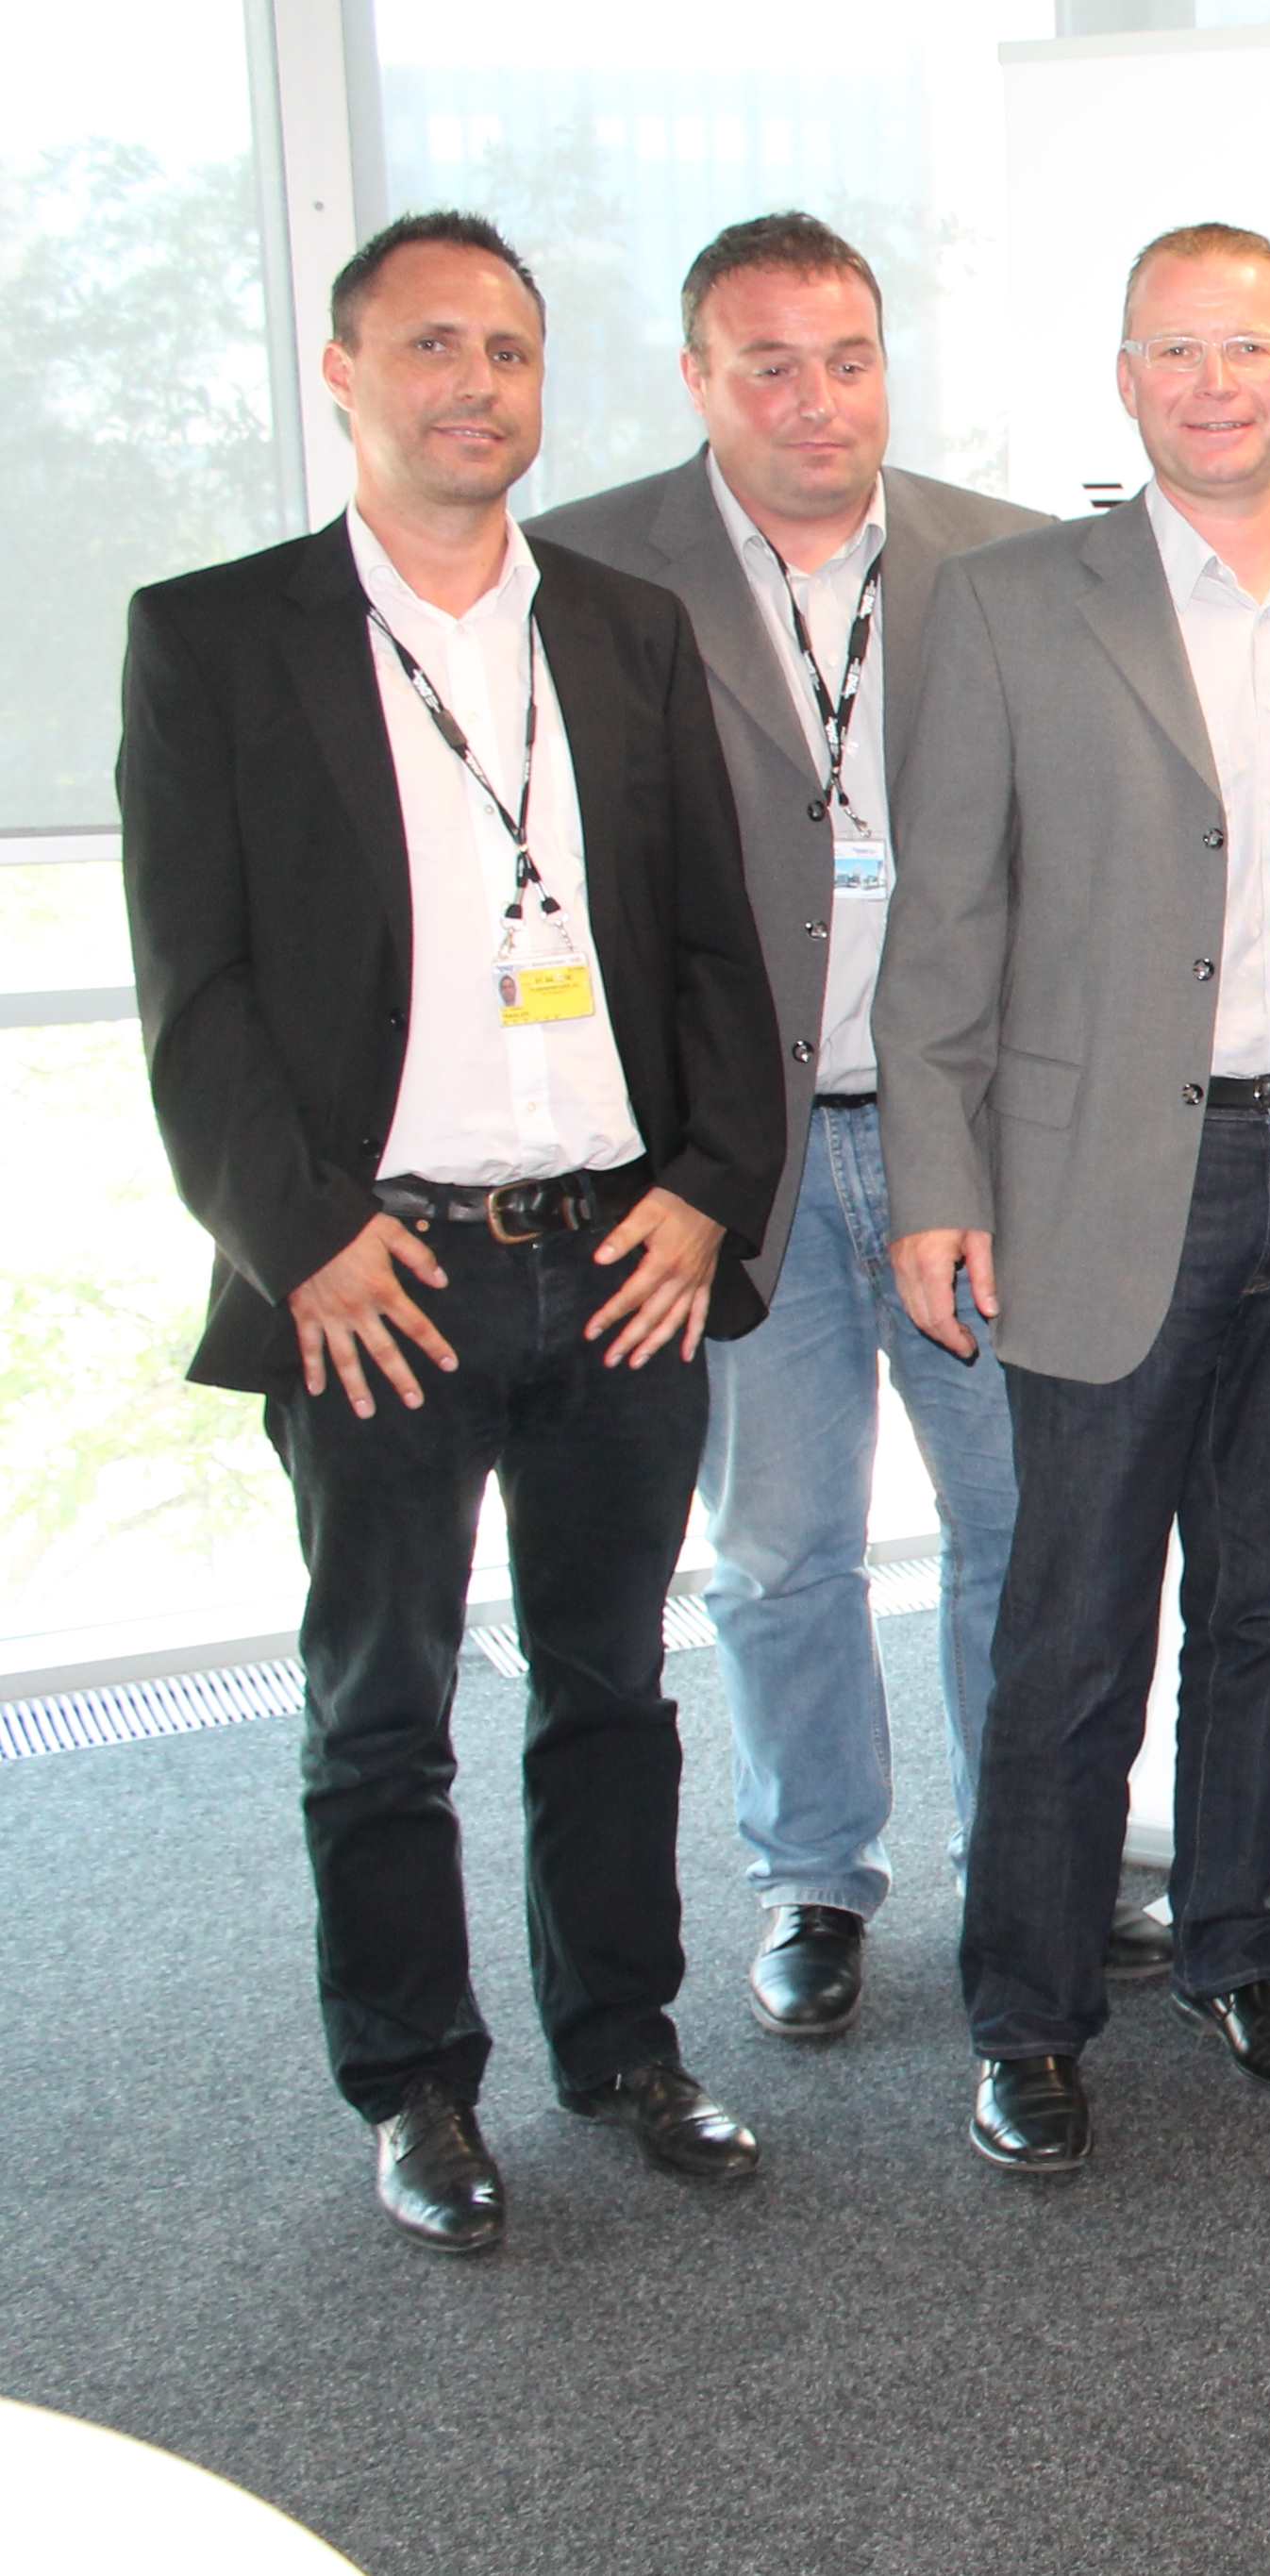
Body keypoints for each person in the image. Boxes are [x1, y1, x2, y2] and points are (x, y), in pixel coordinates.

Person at [116, 210, 786, 2251]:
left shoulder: (622, 626)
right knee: (379, 1706)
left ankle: (622, 2044)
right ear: (343, 372)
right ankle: (414, 2084)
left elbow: (705, 953)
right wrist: (298, 1239)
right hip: (372, 1277)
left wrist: (706, 1196)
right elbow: (195, 992)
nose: (472, 383)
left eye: (506, 347)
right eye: (429, 346)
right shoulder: (218, 636)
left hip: (613, 1256)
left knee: (612, 1681)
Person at [532, 212, 1155, 2047]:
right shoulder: (589, 575)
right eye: (771, 365)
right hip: (745, 1160)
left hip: (970, 1139)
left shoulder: (1013, 563)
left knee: (1017, 1532)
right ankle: (815, 1876)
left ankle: (1033, 1859)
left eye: (850, 358)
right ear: (698, 378)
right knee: (783, 1543)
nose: (819, 400)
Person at [875, 221, 1270, 2175]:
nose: (1213, 382)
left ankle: (1235, 1944)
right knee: (1073, 1627)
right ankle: (1025, 2009)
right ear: (1123, 377)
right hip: (1114, 1185)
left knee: (1267, 1610)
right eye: (1174, 350)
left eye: (1247, 345)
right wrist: (935, 1180)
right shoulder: (1017, 604)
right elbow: (944, 926)